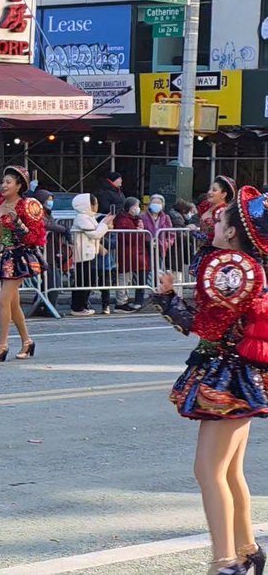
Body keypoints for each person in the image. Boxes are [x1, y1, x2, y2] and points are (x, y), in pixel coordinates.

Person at [153, 186, 268, 575]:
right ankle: (247, 550)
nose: (213, 222)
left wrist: (168, 300)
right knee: (230, 469)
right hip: (241, 372)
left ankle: (226, 563)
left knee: (208, 471)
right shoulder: (243, 264)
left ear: (234, 232)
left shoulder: (233, 268)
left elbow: (208, 328)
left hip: (230, 377)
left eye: (220, 220)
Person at [0, 166, 46, 362]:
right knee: (13, 304)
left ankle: (2, 345)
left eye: (8, 182)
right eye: (3, 182)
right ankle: (27, 342)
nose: (3, 186)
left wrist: (17, 224)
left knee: (2, 299)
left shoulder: (28, 205)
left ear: (19, 185)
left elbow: (34, 238)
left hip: (19, 256)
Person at [69, 193, 114, 316]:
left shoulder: (89, 217)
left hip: (89, 253)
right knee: (82, 281)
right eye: (95, 203)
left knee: (87, 280)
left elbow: (96, 229)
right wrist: (105, 224)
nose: (97, 205)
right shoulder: (82, 217)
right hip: (83, 254)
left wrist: (105, 221)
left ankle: (81, 305)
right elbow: (95, 234)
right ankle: (77, 307)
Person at [30, 189, 69, 318]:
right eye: (48, 200)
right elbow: (44, 225)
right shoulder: (37, 213)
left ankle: (43, 306)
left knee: (51, 282)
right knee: (52, 282)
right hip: (43, 252)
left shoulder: (48, 214)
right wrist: (63, 229)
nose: (51, 202)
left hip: (51, 253)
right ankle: (47, 308)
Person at [194, 176, 237, 275]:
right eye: (210, 189)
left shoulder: (223, 212)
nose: (209, 192)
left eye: (214, 190)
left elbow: (220, 236)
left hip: (217, 254)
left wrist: (197, 233)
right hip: (205, 252)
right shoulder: (206, 208)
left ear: (223, 194)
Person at [114, 197, 151, 311]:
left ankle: (130, 301)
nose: (138, 209)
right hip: (127, 254)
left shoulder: (135, 219)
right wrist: (138, 231)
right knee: (124, 278)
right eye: (136, 206)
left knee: (136, 277)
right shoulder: (123, 220)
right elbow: (125, 237)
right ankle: (121, 302)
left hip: (136, 253)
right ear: (130, 207)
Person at [145, 193, 181, 277]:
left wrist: (166, 243)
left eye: (159, 203)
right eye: (154, 202)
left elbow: (171, 234)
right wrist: (147, 240)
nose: (156, 205)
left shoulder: (166, 217)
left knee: (159, 269)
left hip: (160, 248)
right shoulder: (143, 217)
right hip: (146, 248)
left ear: (163, 205)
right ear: (150, 204)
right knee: (148, 270)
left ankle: (157, 287)